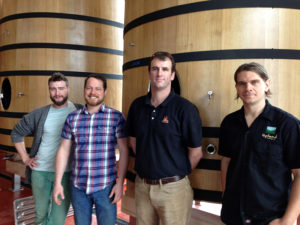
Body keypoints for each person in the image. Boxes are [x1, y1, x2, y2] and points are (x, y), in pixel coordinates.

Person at [125, 51, 203, 225]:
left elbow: (196, 153)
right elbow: (133, 141)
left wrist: (172, 174)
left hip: (173, 189)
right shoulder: (137, 106)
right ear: (149, 73)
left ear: (172, 75)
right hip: (143, 187)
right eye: (155, 69)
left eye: (165, 69)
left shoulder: (186, 109)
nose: (159, 73)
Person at [219, 62, 300, 225]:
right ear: (236, 87)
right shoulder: (229, 122)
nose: (248, 87)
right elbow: (226, 162)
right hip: (233, 215)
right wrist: (226, 195)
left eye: (254, 82)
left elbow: (299, 174)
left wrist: (287, 221)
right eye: (242, 83)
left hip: (270, 218)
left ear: (266, 84)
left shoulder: (287, 124)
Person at [52, 74, 128, 225]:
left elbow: (124, 151)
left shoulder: (116, 117)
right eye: (89, 88)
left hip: (106, 187)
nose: (93, 92)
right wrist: (57, 183)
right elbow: (64, 150)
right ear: (84, 90)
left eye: (98, 89)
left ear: (105, 92)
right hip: (78, 187)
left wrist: (120, 183)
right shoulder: (72, 118)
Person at [11, 72, 82, 225]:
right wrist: (25, 157)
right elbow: (17, 132)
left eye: (61, 88)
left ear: (68, 89)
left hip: (66, 173)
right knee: (41, 216)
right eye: (53, 89)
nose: (58, 93)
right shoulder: (40, 114)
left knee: (58, 219)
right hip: (41, 171)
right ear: (49, 91)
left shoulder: (79, 111)